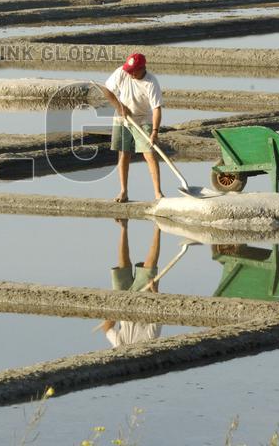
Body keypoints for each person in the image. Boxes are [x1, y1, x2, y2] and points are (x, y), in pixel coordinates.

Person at [95, 52, 163, 203]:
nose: (130, 73)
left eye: (134, 71)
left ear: (142, 68)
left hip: (143, 119)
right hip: (122, 118)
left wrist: (154, 132)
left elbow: (157, 109)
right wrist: (120, 107)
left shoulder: (151, 82)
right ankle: (123, 191)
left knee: (149, 154)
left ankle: (158, 193)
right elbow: (107, 90)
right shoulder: (122, 72)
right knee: (123, 154)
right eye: (129, 70)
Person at [97, 218, 163, 348]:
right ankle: (158, 227)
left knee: (123, 265)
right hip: (143, 299)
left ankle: (123, 226)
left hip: (123, 301)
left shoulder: (120, 346)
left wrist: (114, 311)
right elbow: (159, 316)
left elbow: (106, 328)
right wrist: (155, 292)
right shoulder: (149, 341)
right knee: (149, 266)